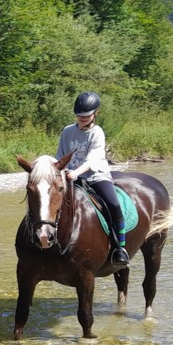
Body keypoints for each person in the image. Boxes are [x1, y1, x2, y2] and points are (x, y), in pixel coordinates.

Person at [56, 91, 129, 268]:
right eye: (79, 115)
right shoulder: (67, 131)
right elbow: (60, 156)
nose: (82, 118)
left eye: (86, 115)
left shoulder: (97, 133)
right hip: (70, 176)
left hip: (95, 176)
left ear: (95, 114)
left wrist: (76, 172)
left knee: (114, 204)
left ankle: (120, 247)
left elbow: (93, 160)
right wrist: (61, 171)